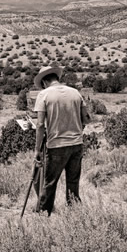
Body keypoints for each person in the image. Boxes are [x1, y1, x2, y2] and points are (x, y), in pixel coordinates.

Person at [32, 65, 91, 215]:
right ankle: (76, 216)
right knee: (73, 184)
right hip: (76, 144)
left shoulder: (44, 95)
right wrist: (77, 129)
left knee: (49, 184)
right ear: (57, 78)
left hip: (56, 145)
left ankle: (43, 217)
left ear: (44, 82)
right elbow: (87, 119)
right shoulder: (75, 93)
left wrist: (37, 150)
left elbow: (39, 125)